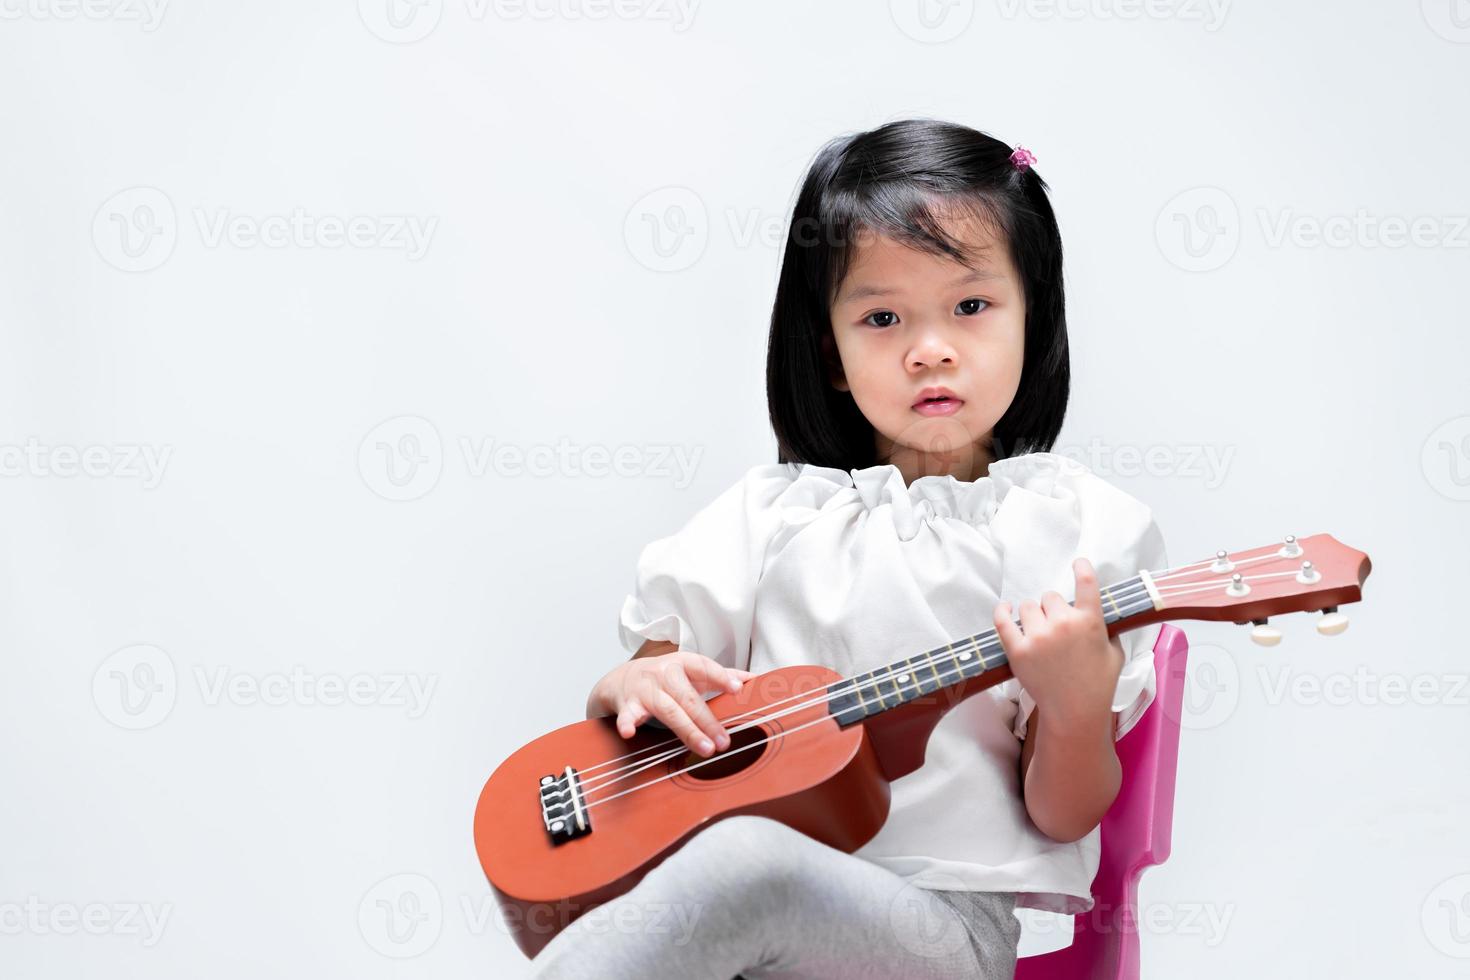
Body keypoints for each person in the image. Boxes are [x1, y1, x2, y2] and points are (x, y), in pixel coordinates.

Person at [528, 118, 1168, 979]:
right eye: (881, 316)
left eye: (971, 306)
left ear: (1032, 319)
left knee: (744, 867)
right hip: (751, 940)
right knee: (722, 872)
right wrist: (632, 682)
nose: (929, 348)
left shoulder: (1067, 530)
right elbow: (642, 703)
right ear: (830, 353)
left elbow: (1062, 816)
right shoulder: (768, 517)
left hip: (942, 934)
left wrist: (1077, 703)